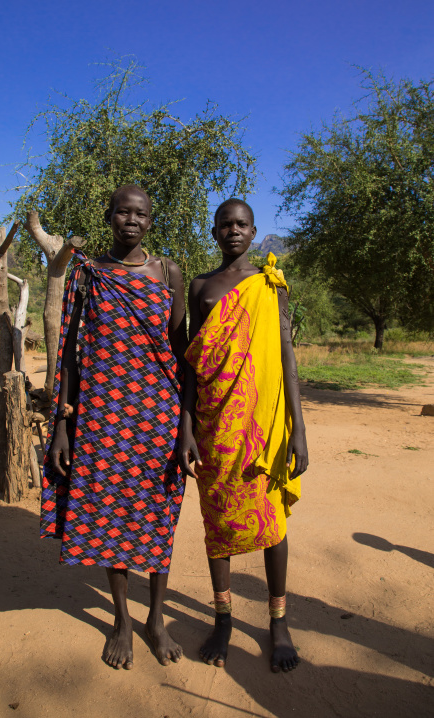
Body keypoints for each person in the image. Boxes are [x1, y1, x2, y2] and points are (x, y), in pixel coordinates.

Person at [41, 185, 188, 670]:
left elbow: (179, 353)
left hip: (157, 419)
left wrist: (186, 425)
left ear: (150, 220)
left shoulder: (168, 272)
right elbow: (67, 352)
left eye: (140, 213)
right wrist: (63, 423)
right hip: (102, 418)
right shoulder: (90, 274)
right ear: (109, 216)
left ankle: (157, 618)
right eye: (122, 212)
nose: (131, 220)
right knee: (111, 517)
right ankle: (123, 620)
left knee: (157, 518)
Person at [179, 198, 308, 673]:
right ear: (214, 231)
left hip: (264, 425)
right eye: (225, 224)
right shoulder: (200, 287)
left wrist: (299, 432)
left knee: (272, 524)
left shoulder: (270, 286)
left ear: (254, 232)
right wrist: (186, 427)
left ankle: (278, 624)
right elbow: (192, 363)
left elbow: (287, 360)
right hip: (215, 427)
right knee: (219, 525)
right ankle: (223, 619)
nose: (233, 230)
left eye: (242, 224)